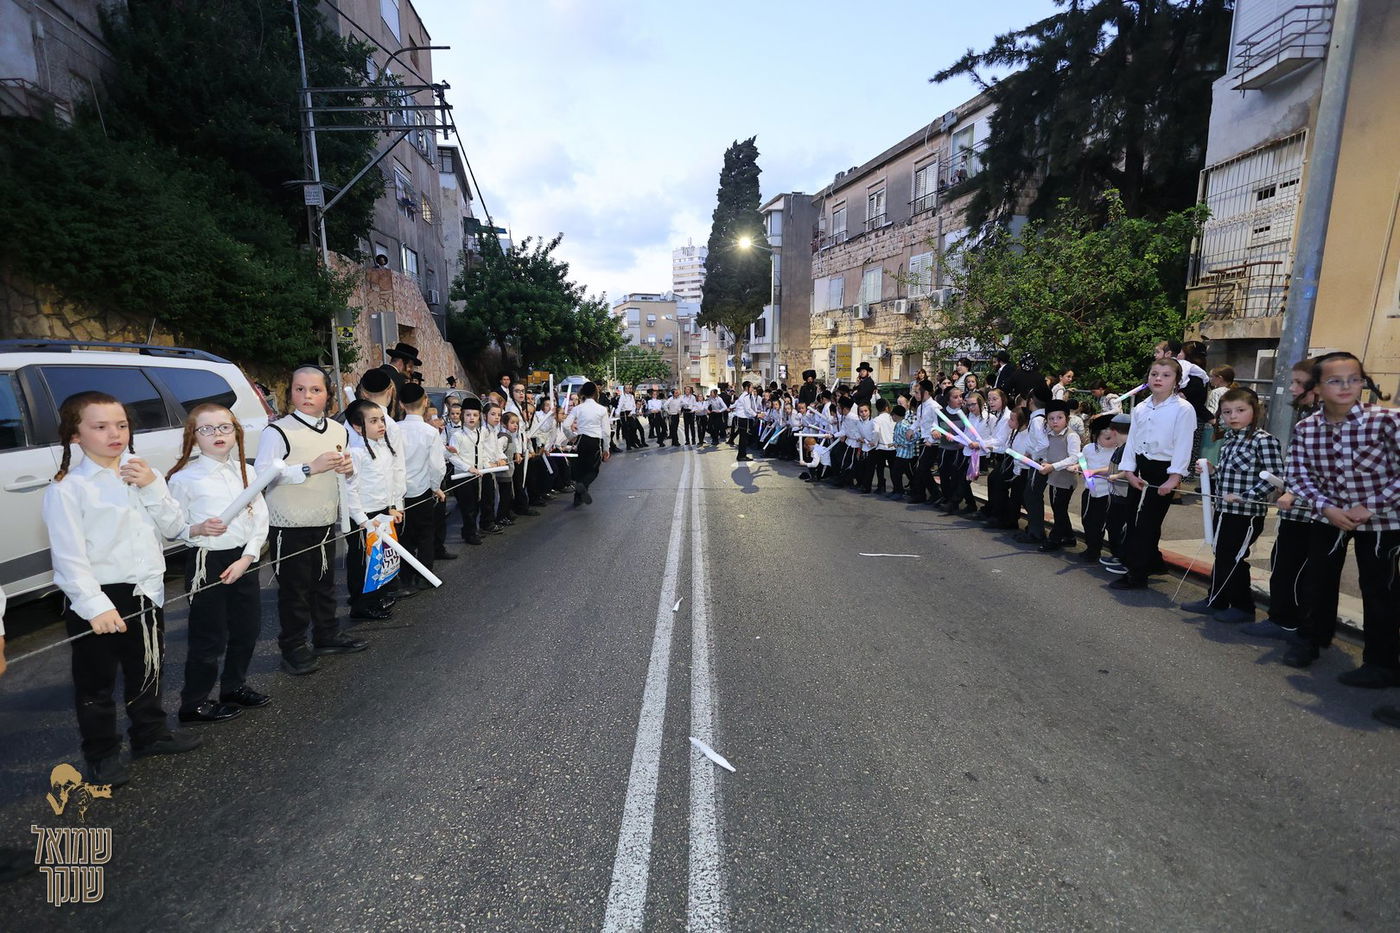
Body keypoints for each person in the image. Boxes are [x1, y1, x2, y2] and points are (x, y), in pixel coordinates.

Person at [43, 391, 201, 786]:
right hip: (97, 596)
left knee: (147, 666)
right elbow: (68, 557)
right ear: (74, 435)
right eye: (100, 427)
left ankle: (149, 733)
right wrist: (94, 605)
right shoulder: (67, 489)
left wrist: (152, 486)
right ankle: (102, 753)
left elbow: (174, 527)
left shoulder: (138, 472)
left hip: (145, 589)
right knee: (95, 682)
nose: (114, 434)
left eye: (121, 425)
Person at [1280, 352, 1399, 683]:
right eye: (1334, 380)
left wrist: (1371, 505)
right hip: (1328, 516)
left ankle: (1382, 662)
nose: (1346, 386)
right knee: (1317, 578)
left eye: (1354, 378)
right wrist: (1325, 507)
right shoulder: (1306, 428)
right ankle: (1311, 638)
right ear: (1317, 386)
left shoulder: (1386, 421)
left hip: (1382, 521)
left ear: (1363, 381)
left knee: (1380, 588)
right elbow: (1298, 474)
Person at [255, 364, 366, 675]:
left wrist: (349, 471)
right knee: (294, 591)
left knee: (324, 583)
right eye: (299, 389)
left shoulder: (339, 430)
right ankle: (292, 647)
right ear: (290, 393)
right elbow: (262, 477)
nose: (306, 395)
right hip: (288, 524)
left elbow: (347, 477)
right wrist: (308, 468)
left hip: (324, 520)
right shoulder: (276, 431)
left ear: (327, 395)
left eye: (315, 390)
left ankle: (327, 634)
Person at [166, 403, 272, 724]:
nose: (218, 434)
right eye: (207, 429)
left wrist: (248, 557)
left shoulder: (248, 472)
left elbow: (260, 518)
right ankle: (194, 702)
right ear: (193, 437)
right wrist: (196, 529)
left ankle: (233, 686)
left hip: (244, 558)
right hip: (207, 561)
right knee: (208, 635)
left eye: (225, 427)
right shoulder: (184, 479)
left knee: (247, 628)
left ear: (236, 432)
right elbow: (170, 528)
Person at [1180, 387, 1283, 624]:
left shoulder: (1264, 441)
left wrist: (1246, 496)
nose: (1232, 416)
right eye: (1227, 412)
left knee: (1234, 557)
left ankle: (1243, 607)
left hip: (1246, 513)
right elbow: (1226, 476)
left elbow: (1275, 478)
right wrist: (1211, 472)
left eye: (1240, 410)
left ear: (1254, 411)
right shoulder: (1228, 441)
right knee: (1222, 554)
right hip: (1224, 510)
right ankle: (1216, 599)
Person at [1242, 360, 1318, 641]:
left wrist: (1294, 492)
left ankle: (1291, 622)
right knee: (1283, 563)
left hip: (1311, 513)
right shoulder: (1310, 418)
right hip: (1296, 512)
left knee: (1295, 568)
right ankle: (1283, 617)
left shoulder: (1325, 422)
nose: (1291, 388)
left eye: (1298, 382)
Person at [1109, 358, 1196, 591]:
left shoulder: (1183, 409)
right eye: (1154, 374)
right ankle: (1154, 562)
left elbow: (1183, 444)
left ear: (1177, 381)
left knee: (1146, 523)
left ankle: (1136, 574)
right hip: (1140, 467)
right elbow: (1133, 441)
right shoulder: (1141, 407)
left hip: (1164, 470)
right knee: (1133, 517)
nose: (1158, 379)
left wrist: (1175, 477)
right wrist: (1128, 469)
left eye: (1166, 375)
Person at [342, 399, 403, 620]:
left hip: (381, 514)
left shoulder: (383, 448)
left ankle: (376, 597)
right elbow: (350, 490)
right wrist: (362, 520)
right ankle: (361, 604)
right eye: (374, 421)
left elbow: (387, 482)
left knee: (379, 560)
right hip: (363, 518)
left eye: (382, 420)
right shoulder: (355, 453)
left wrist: (392, 507)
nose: (381, 425)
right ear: (358, 426)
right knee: (362, 562)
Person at [395, 384, 446, 592]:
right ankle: (425, 574)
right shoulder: (429, 432)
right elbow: (436, 465)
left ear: (400, 404)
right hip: (422, 491)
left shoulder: (393, 428)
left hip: (399, 493)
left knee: (404, 536)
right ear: (425, 402)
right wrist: (436, 487)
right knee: (426, 533)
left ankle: (405, 577)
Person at [1036, 399, 1081, 550]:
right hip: (1053, 478)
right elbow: (1049, 453)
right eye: (1051, 418)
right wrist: (1044, 462)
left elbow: (1074, 457)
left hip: (1066, 479)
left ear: (1067, 418)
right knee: (1058, 509)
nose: (1055, 421)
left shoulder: (1071, 435)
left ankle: (1054, 539)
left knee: (1060, 509)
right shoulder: (1049, 434)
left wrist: (1052, 466)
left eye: (1059, 418)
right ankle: (1069, 537)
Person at [1078, 415, 1121, 564]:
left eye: (1114, 437)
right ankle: (1091, 548)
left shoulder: (1118, 451)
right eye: (1108, 438)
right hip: (1090, 491)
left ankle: (1096, 551)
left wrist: (1095, 471)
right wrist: (1077, 468)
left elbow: (1113, 469)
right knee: (1087, 521)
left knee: (1101, 523)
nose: (1113, 441)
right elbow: (1081, 461)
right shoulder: (1089, 448)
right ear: (1096, 436)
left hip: (1107, 493)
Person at [563, 381, 610, 506]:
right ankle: (582, 485)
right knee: (593, 469)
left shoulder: (578, 408)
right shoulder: (601, 409)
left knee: (581, 468)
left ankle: (577, 498)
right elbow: (606, 432)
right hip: (594, 441)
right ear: (596, 392)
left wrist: (572, 437)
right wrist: (606, 448)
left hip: (581, 439)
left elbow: (565, 425)